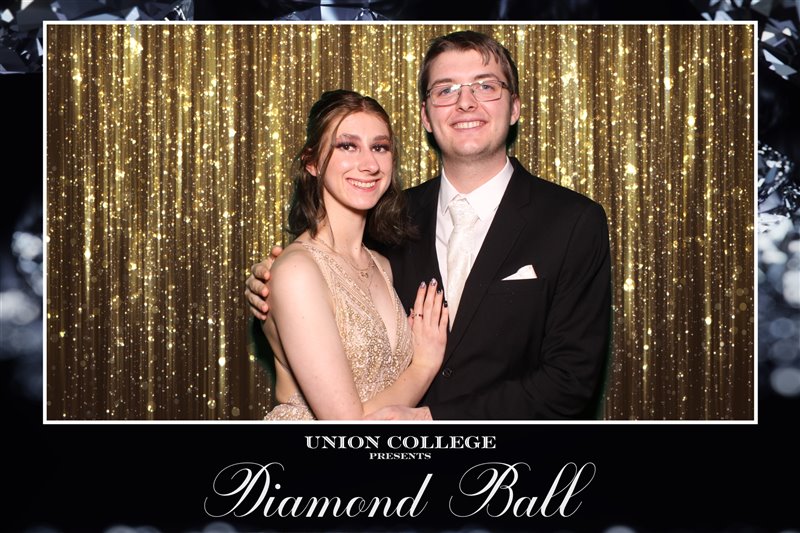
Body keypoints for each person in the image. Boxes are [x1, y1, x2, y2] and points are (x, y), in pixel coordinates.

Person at [247, 31, 611, 420]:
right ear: (426, 116)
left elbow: (570, 382)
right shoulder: (388, 220)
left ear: (515, 108)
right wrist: (273, 281)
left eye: (486, 86)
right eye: (446, 89)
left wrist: (431, 418)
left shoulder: (573, 221)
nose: (466, 102)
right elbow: (324, 274)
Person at [260, 89, 447, 420]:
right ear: (312, 162)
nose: (369, 164)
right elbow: (345, 426)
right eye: (347, 146)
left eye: (380, 147)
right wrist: (424, 365)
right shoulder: (298, 270)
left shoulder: (383, 265)